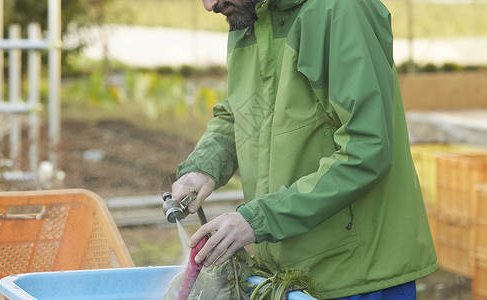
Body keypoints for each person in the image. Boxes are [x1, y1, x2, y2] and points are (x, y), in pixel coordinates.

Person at [170, 0, 438, 298]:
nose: (209, 5)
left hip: (358, 276)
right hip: (290, 277)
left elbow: (367, 148)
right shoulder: (250, 15)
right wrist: (203, 168)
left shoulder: (340, 9)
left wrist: (259, 219)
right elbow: (243, 111)